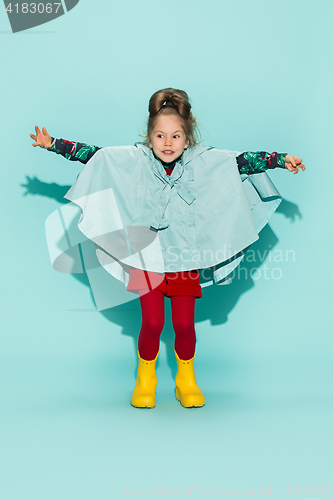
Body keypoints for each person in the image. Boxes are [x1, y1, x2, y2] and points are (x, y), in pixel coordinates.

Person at [30, 88, 305, 409]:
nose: (168, 142)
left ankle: (185, 379)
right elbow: (96, 155)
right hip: (147, 259)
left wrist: (281, 160)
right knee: (152, 323)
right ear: (150, 138)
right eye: (160, 135)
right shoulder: (135, 161)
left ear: (187, 139)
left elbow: (242, 162)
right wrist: (54, 146)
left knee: (185, 324)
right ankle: (145, 378)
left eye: (176, 136)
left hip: (184, 258)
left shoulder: (205, 161)